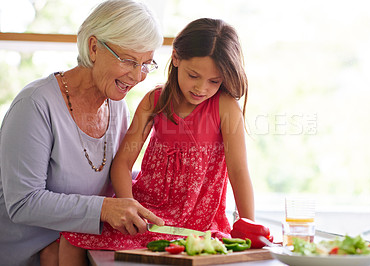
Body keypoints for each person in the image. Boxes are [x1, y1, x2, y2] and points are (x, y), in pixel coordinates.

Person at [60, 17, 255, 264]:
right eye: (193, 75)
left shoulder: (225, 107)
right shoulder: (155, 101)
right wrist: (128, 207)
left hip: (197, 220)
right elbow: (122, 164)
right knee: (72, 237)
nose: (201, 88)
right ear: (175, 58)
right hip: (147, 213)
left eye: (214, 81)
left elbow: (239, 172)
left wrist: (249, 227)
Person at [0, 0, 165, 265]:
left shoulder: (116, 105)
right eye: (129, 61)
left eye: (146, 63)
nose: (137, 76)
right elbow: (23, 202)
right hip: (28, 254)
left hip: (79, 245)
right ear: (94, 47)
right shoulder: (35, 104)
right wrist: (105, 209)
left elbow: (109, 178)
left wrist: (163, 182)